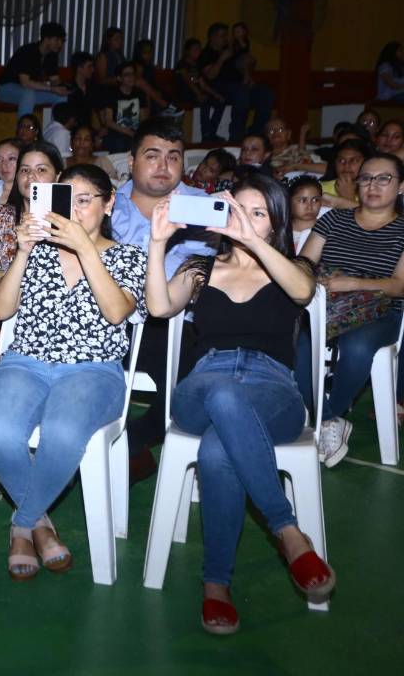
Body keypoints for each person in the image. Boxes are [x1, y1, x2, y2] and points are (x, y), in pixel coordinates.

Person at [144, 173, 334, 634]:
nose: (243, 221)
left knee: (216, 450)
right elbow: (157, 308)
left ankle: (216, 585)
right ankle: (288, 531)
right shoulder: (199, 267)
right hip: (203, 384)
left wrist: (255, 245)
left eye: (257, 213)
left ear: (275, 224)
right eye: (235, 210)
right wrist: (157, 243)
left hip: (274, 392)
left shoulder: (292, 268)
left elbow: (304, 293)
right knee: (224, 396)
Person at [0, 163, 144, 579]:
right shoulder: (36, 250)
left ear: (108, 204)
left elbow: (115, 312)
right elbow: (0, 311)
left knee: (65, 434)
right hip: (25, 361)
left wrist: (86, 249)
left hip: (94, 368)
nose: (75, 210)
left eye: (86, 200)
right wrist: (21, 251)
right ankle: (40, 524)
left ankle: (22, 524)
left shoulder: (128, 256)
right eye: (67, 200)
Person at [111, 118, 214, 476]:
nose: (163, 165)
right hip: (110, 317)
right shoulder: (105, 204)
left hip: (174, 324)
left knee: (190, 386)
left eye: (173, 157)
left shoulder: (206, 209)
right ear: (131, 161)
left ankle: (129, 444)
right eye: (152, 155)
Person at [295, 153, 404, 467]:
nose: (373, 185)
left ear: (399, 187)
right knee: (301, 339)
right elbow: (305, 262)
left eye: (384, 178)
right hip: (328, 304)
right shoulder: (333, 220)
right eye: (367, 177)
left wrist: (352, 282)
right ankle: (328, 421)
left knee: (356, 346)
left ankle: (327, 416)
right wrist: (313, 279)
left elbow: (399, 286)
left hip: (383, 310)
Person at [0, 141, 65, 415]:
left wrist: (6, 276)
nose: (30, 177)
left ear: (58, 177)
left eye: (41, 169)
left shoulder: (71, 227)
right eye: (24, 170)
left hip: (49, 328)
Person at [198, 22, 274, 142]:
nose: (225, 39)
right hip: (218, 89)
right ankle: (236, 136)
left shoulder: (231, 49)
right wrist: (222, 59)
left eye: (226, 35)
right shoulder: (206, 54)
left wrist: (247, 74)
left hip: (239, 85)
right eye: (222, 36)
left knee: (265, 93)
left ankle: (256, 132)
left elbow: (247, 61)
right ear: (213, 37)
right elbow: (210, 76)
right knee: (241, 93)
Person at [0, 22, 69, 119]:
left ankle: (55, 131)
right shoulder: (28, 51)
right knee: (28, 93)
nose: (60, 44)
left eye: (62, 41)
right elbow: (25, 83)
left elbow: (55, 80)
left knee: (61, 96)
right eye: (57, 40)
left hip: (29, 91)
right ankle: (24, 130)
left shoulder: (52, 55)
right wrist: (52, 88)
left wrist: (62, 88)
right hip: (5, 89)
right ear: (46, 39)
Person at [175, 37, 226, 142]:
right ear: (187, 51)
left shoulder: (197, 65)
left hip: (197, 93)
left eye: (199, 49)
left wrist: (216, 94)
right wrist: (199, 94)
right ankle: (206, 135)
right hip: (185, 93)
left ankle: (212, 132)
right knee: (205, 102)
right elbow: (188, 81)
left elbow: (202, 84)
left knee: (220, 102)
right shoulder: (182, 64)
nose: (198, 52)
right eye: (195, 49)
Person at [99, 62, 148, 154]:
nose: (131, 77)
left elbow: (143, 120)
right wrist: (129, 133)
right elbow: (108, 121)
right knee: (120, 142)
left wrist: (138, 133)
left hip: (135, 132)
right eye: (127, 75)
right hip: (116, 132)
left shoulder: (140, 94)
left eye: (133, 74)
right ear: (119, 78)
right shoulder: (111, 94)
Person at [130, 38, 183, 117]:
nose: (149, 55)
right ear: (139, 53)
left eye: (150, 52)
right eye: (145, 53)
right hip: (144, 93)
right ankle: (164, 106)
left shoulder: (149, 66)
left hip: (153, 91)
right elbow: (137, 83)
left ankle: (166, 109)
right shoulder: (138, 66)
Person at [321, 138, 371, 210]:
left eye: (354, 160)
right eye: (341, 160)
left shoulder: (373, 191)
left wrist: (348, 198)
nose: (346, 165)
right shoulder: (320, 189)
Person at [64, 51, 99, 129]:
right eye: (89, 67)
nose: (93, 70)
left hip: (90, 128)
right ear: (79, 68)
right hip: (73, 128)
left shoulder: (93, 87)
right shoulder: (68, 88)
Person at [289, 176, 323, 253]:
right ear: (288, 202)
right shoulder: (279, 232)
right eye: (302, 200)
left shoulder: (329, 230)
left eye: (315, 200)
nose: (310, 206)